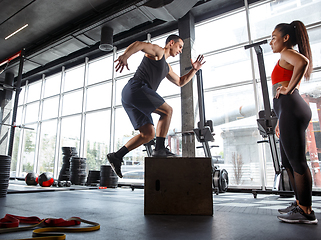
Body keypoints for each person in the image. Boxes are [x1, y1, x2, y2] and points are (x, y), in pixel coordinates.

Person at [107, 34, 205, 178]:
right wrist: (125, 56)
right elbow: (139, 44)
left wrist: (194, 70)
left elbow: (180, 81)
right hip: (137, 88)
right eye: (180, 47)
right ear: (171, 43)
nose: (181, 51)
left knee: (148, 134)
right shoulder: (158, 52)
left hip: (131, 96)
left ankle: (117, 156)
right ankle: (159, 149)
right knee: (168, 111)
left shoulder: (166, 67)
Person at [269, 20, 318, 224]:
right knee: (287, 161)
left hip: (291, 106)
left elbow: (303, 62)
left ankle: (306, 211)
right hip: (287, 111)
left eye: (274, 38)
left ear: (285, 38)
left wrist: (289, 88)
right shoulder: (284, 55)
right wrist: (281, 120)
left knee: (297, 161)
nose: (271, 42)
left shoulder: (287, 52)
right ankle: (300, 203)